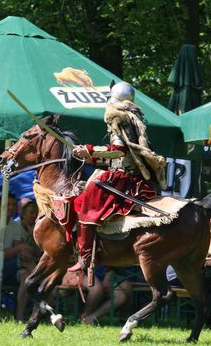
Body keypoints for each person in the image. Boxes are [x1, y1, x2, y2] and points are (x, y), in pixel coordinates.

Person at [69, 81, 167, 280]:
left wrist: (88, 150)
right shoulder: (131, 118)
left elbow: (119, 151)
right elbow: (120, 154)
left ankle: (86, 256)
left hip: (124, 177)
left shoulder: (117, 119)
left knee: (86, 200)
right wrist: (91, 156)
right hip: (130, 173)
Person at [15, 200, 41, 321]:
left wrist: (33, 234)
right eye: (31, 212)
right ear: (23, 214)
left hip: (31, 266)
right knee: (28, 276)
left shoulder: (38, 229)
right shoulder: (17, 227)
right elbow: (21, 251)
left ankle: (22, 316)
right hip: (16, 265)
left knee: (26, 278)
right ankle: (20, 315)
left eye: (36, 212)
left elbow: (36, 252)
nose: (34, 215)